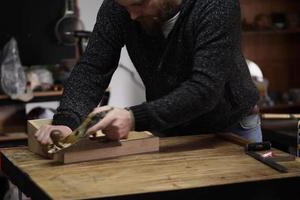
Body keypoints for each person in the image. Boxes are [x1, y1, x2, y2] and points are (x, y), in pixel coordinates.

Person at [35, 0, 262, 145]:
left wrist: (134, 117)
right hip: (172, 128)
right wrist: (67, 120)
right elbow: (92, 67)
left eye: (140, 4)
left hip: (230, 128)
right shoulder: (120, 8)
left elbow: (205, 89)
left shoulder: (216, 5)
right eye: (127, 7)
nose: (132, 16)